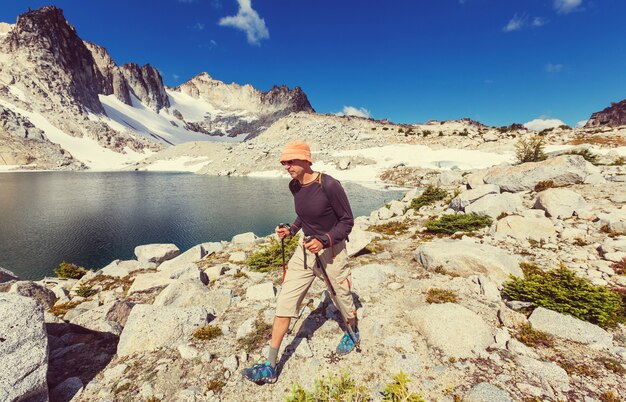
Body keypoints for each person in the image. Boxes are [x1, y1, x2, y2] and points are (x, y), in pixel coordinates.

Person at [241, 140, 358, 384]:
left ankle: (352, 330)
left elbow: (347, 221)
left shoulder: (329, 185)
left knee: (342, 298)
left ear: (306, 160)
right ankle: (270, 366)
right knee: (285, 301)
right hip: (303, 252)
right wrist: (292, 230)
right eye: (284, 162)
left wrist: (325, 241)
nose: (287, 166)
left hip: (331, 252)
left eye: (291, 161)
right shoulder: (294, 186)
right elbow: (303, 215)